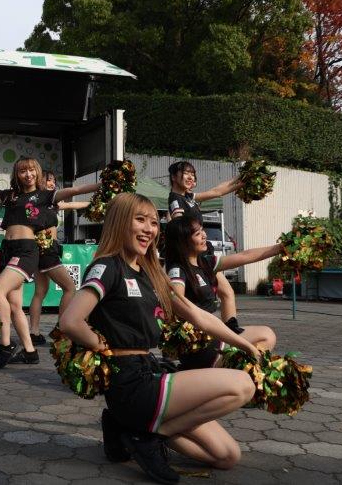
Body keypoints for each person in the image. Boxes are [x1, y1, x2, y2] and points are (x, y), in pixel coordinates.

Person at [59, 193, 259, 484]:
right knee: (242, 385)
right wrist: (97, 344)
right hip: (129, 382)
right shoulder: (108, 267)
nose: (149, 229)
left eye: (153, 223)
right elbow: (70, 321)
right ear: (119, 222)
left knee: (227, 456)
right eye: (140, 220)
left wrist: (244, 344)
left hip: (150, 371)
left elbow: (198, 315)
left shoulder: (151, 273)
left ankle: (132, 429)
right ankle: (145, 434)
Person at [0, 157, 99, 369]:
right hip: (7, 249)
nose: (28, 174)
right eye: (23, 171)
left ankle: (5, 344)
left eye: (31, 170)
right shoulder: (10, 195)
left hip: (26, 250)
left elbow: (75, 190)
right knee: (14, 305)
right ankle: (30, 352)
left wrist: (101, 184)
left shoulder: (46, 195)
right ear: (17, 175)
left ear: (37, 172)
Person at [164, 216, 279, 369]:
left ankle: (238, 373)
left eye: (202, 230)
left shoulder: (205, 263)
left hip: (214, 335)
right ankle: (223, 372)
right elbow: (176, 306)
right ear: (183, 241)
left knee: (267, 335)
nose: (204, 235)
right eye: (197, 234)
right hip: (200, 346)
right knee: (265, 336)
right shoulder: (177, 271)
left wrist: (280, 248)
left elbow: (245, 256)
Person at [168, 160, 242, 328]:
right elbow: (179, 228)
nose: (191, 177)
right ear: (173, 177)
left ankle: (230, 331)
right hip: (195, 257)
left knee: (227, 293)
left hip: (203, 254)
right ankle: (227, 332)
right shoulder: (175, 200)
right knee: (224, 293)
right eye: (186, 173)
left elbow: (217, 191)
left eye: (192, 174)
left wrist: (241, 178)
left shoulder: (188, 197)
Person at [27, 171, 88, 346]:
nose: (52, 183)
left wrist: (96, 203)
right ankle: (61, 329)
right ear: (40, 181)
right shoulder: (37, 202)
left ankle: (34, 332)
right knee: (70, 287)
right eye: (48, 180)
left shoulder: (52, 203)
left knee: (40, 292)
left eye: (54, 181)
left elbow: (72, 205)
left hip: (43, 250)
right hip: (46, 250)